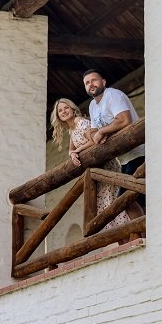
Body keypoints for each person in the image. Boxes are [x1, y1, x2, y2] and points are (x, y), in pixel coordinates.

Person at [50, 98, 130, 232]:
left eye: (66, 108)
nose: (64, 111)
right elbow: (71, 149)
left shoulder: (81, 122)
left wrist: (78, 151)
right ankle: (121, 237)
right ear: (58, 116)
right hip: (96, 171)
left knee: (112, 202)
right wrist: (72, 154)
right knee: (104, 207)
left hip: (106, 166)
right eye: (60, 110)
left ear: (73, 109)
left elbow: (94, 140)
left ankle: (130, 234)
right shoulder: (72, 129)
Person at [82, 69, 145, 206]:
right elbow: (93, 130)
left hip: (139, 154)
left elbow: (124, 120)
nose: (91, 84)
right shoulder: (92, 105)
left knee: (126, 202)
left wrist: (102, 132)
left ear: (103, 82)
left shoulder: (112, 95)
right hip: (124, 159)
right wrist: (97, 135)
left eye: (94, 80)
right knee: (134, 202)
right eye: (87, 83)